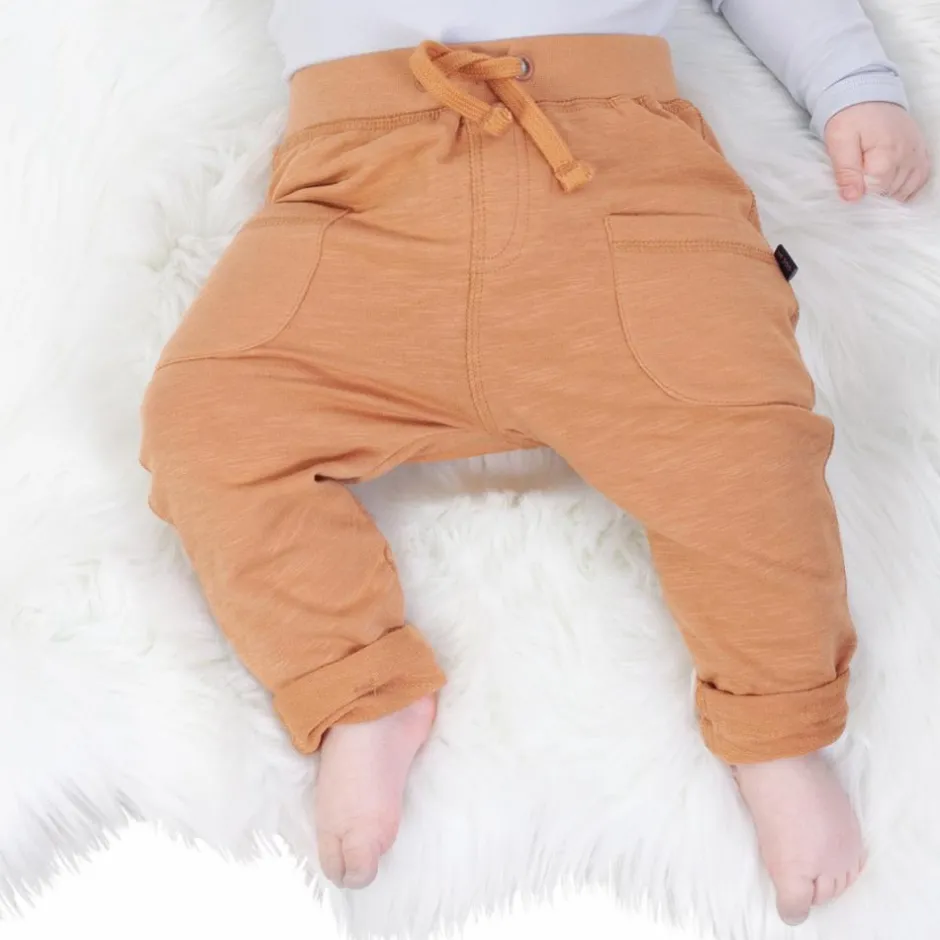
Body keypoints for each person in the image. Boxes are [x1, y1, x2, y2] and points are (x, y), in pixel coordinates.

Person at [139, 0, 931, 926]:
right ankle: (355, 687)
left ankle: (777, 728)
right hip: (357, 201)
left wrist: (854, 87)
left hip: (616, 177)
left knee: (745, 447)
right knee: (209, 419)